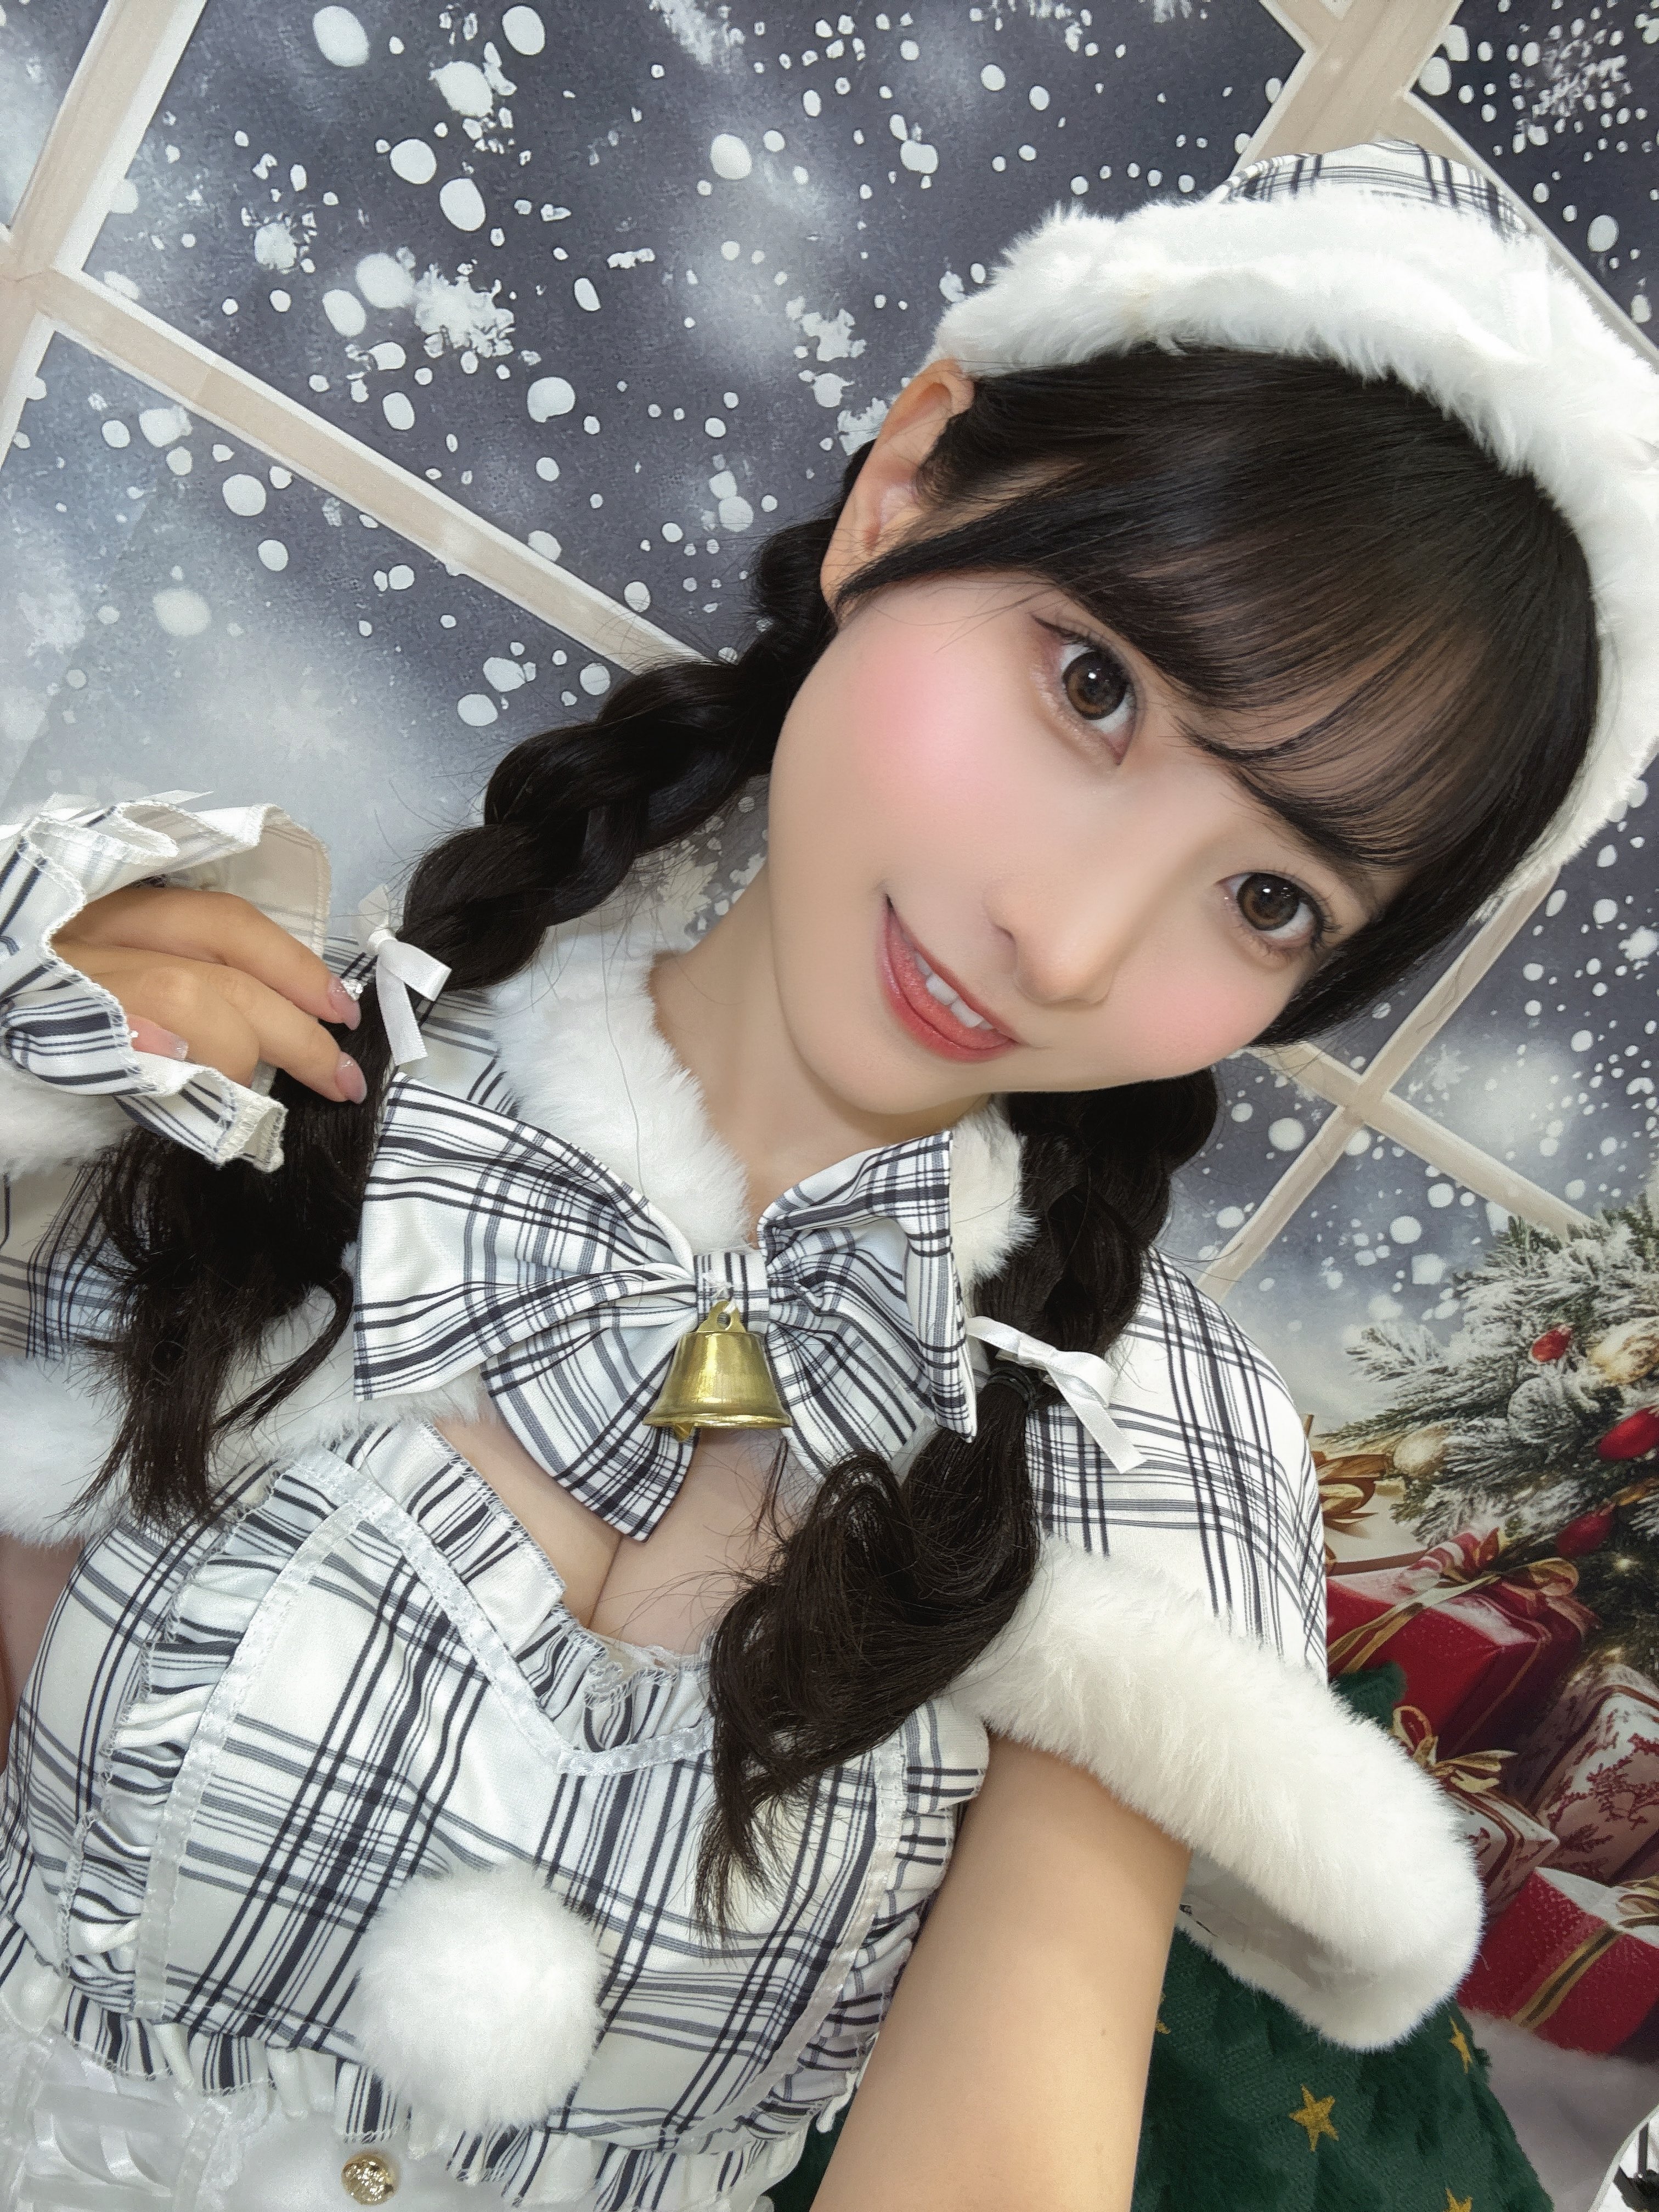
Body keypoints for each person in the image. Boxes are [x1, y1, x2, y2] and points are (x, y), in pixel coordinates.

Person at [0, 138, 1652, 2211]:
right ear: (906, 489)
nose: (1066, 940)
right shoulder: (222, 1048)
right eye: (1095, 687)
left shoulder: (1135, 1449)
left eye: (1266, 896)